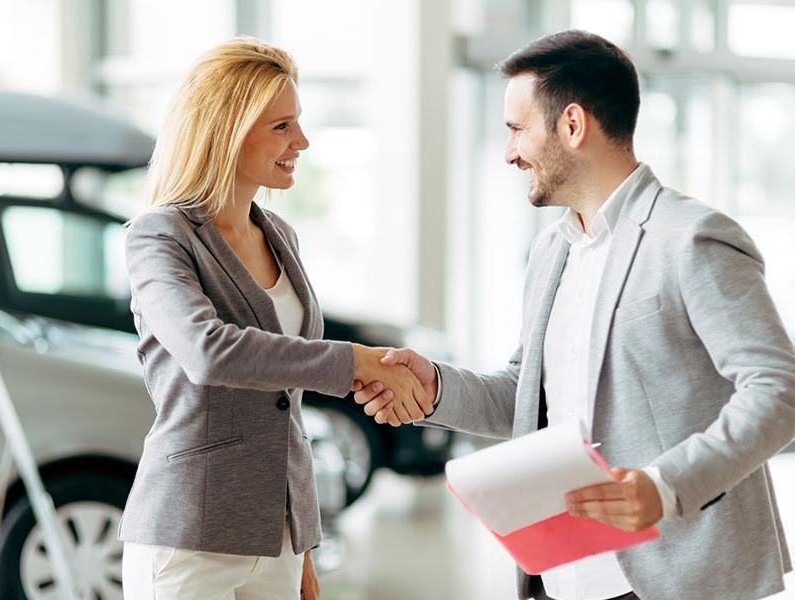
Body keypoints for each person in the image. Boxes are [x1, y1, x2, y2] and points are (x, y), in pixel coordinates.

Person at [354, 30, 795, 600]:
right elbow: (527, 395)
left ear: (571, 125)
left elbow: (778, 390)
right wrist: (434, 387)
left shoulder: (690, 238)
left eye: (516, 129)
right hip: (561, 575)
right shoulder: (551, 251)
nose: (510, 151)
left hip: (676, 576)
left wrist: (664, 487)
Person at [119, 37, 432, 600]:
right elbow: (208, 351)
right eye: (282, 126)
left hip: (277, 535)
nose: (302, 142)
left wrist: (301, 539)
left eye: (299, 123)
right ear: (228, 130)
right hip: (191, 530)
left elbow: (285, 406)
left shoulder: (280, 235)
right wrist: (352, 361)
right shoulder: (159, 236)